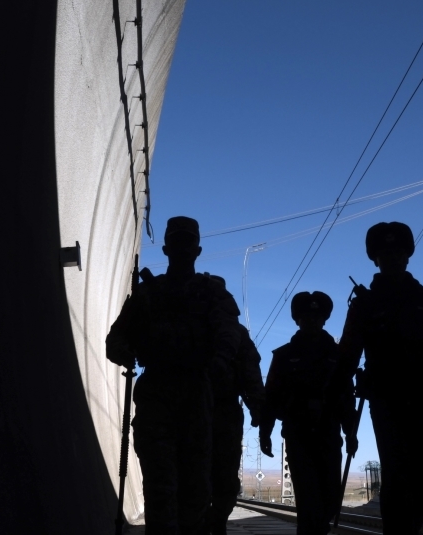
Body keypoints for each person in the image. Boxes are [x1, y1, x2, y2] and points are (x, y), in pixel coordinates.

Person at [106, 216, 241, 535]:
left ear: (197, 250)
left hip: (195, 395)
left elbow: (229, 333)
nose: (182, 250)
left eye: (187, 243)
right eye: (176, 243)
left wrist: (220, 361)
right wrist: (125, 351)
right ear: (166, 248)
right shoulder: (147, 294)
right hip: (157, 395)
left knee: (195, 491)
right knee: (160, 488)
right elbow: (115, 339)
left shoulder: (212, 293)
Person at [335, 222, 423, 535]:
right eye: (385, 253)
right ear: (375, 258)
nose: (392, 258)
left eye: (398, 252)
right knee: (397, 478)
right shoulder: (365, 304)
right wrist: (342, 411)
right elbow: (346, 360)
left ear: (407, 255)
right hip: (387, 402)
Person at [260, 292, 357, 535]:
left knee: (331, 497)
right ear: (297, 320)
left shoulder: (338, 356)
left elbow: (347, 397)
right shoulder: (283, 356)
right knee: (307, 498)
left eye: (317, 317)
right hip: (298, 433)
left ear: (324, 320)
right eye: (306, 317)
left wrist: (351, 433)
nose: (312, 321)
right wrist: (265, 432)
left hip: (329, 431)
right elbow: (271, 396)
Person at [208, 322, 265, 535]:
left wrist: (258, 407)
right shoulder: (232, 328)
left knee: (224, 480)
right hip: (191, 410)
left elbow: (250, 371)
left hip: (221, 411)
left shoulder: (231, 329)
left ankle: (215, 522)